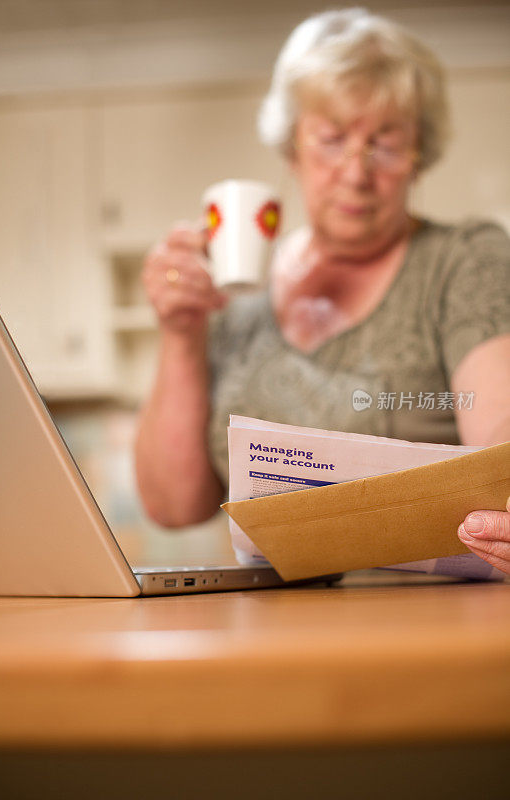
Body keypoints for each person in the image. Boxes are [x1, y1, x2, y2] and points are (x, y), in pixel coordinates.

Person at [135, 9, 510, 576]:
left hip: (423, 619)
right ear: (292, 150)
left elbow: (499, 433)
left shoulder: (463, 260)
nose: (356, 174)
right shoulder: (233, 291)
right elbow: (173, 506)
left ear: (419, 157)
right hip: (265, 624)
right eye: (332, 140)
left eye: (384, 145)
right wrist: (180, 333)